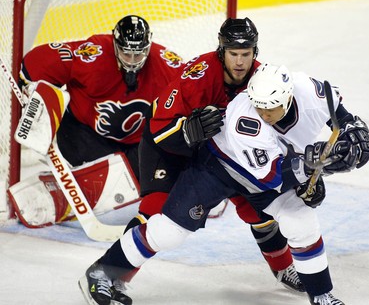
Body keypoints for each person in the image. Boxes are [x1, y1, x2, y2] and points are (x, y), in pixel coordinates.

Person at [80, 62, 369, 305]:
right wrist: (313, 167)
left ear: (288, 96)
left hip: (267, 169)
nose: (263, 114)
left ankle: (322, 296)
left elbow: (337, 110)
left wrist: (352, 129)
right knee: (169, 232)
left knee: (301, 221)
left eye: (270, 108)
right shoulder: (246, 121)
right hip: (217, 168)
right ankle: (102, 272)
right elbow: (272, 179)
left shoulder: (306, 87)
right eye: (259, 107)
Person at [78, 19, 307, 305]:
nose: (239, 61)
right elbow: (160, 126)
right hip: (170, 149)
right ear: (221, 51)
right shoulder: (199, 76)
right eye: (233, 53)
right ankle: (109, 274)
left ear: (255, 52)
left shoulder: (262, 81)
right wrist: (187, 130)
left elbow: (282, 128)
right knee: (157, 212)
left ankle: (283, 267)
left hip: (224, 155)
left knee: (261, 207)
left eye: (246, 53)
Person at [12, 15, 184, 227]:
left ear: (149, 47)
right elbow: (35, 62)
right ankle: (86, 179)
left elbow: (194, 93)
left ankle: (84, 184)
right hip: (82, 134)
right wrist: (32, 88)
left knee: (153, 171)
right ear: (114, 44)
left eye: (138, 53)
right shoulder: (93, 54)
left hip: (135, 144)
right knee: (119, 174)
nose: (132, 60)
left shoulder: (168, 64)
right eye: (126, 53)